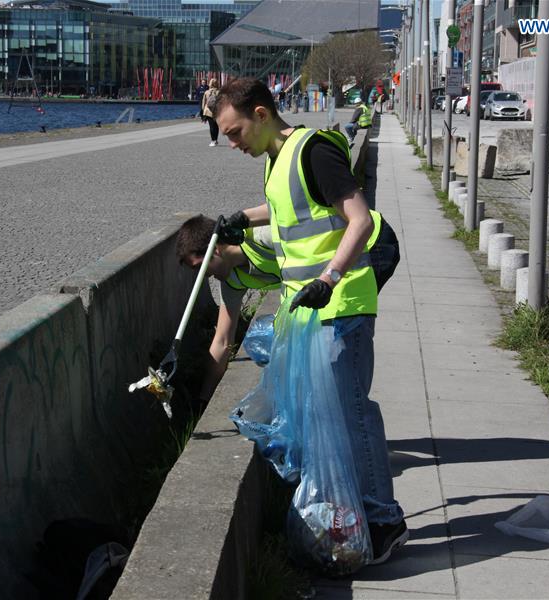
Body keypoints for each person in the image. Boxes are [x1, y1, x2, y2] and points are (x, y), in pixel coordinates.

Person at [210, 77, 406, 565]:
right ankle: (364, 512)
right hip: (312, 310)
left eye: (234, 133)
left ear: (260, 114)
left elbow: (358, 218)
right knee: (335, 414)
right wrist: (244, 218)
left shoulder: (314, 151)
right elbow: (290, 210)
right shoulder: (278, 160)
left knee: (354, 413)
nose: (232, 144)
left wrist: (331, 275)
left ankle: (385, 521)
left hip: (341, 307)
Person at [176, 216, 281, 402]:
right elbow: (222, 341)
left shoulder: (265, 237)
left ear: (214, 250)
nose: (205, 276)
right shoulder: (232, 280)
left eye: (201, 267)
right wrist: (203, 399)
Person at [201, 78, 221, 146]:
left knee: (211, 126)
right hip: (217, 111)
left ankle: (213, 141)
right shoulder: (219, 92)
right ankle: (216, 140)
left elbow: (203, 103)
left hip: (209, 111)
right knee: (216, 126)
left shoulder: (207, 92)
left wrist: (204, 112)